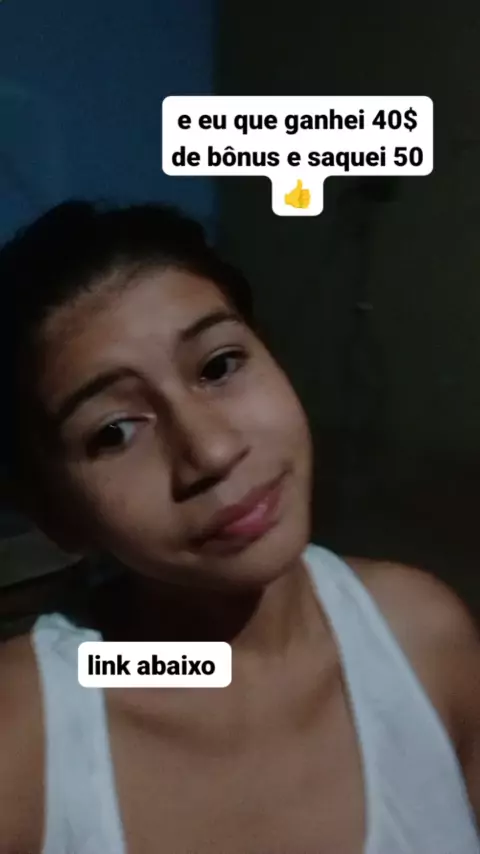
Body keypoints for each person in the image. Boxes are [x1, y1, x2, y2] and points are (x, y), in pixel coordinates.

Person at [0, 201, 478, 854]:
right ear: (56, 512)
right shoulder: (24, 741)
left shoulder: (422, 639)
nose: (212, 451)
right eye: (114, 432)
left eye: (219, 366)